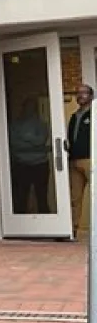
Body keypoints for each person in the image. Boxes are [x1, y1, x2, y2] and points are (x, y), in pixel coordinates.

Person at [66, 84, 91, 238]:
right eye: (78, 93)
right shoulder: (74, 116)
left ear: (91, 96)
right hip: (74, 160)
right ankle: (72, 231)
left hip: (90, 159)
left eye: (84, 93)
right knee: (75, 198)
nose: (80, 96)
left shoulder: (94, 113)